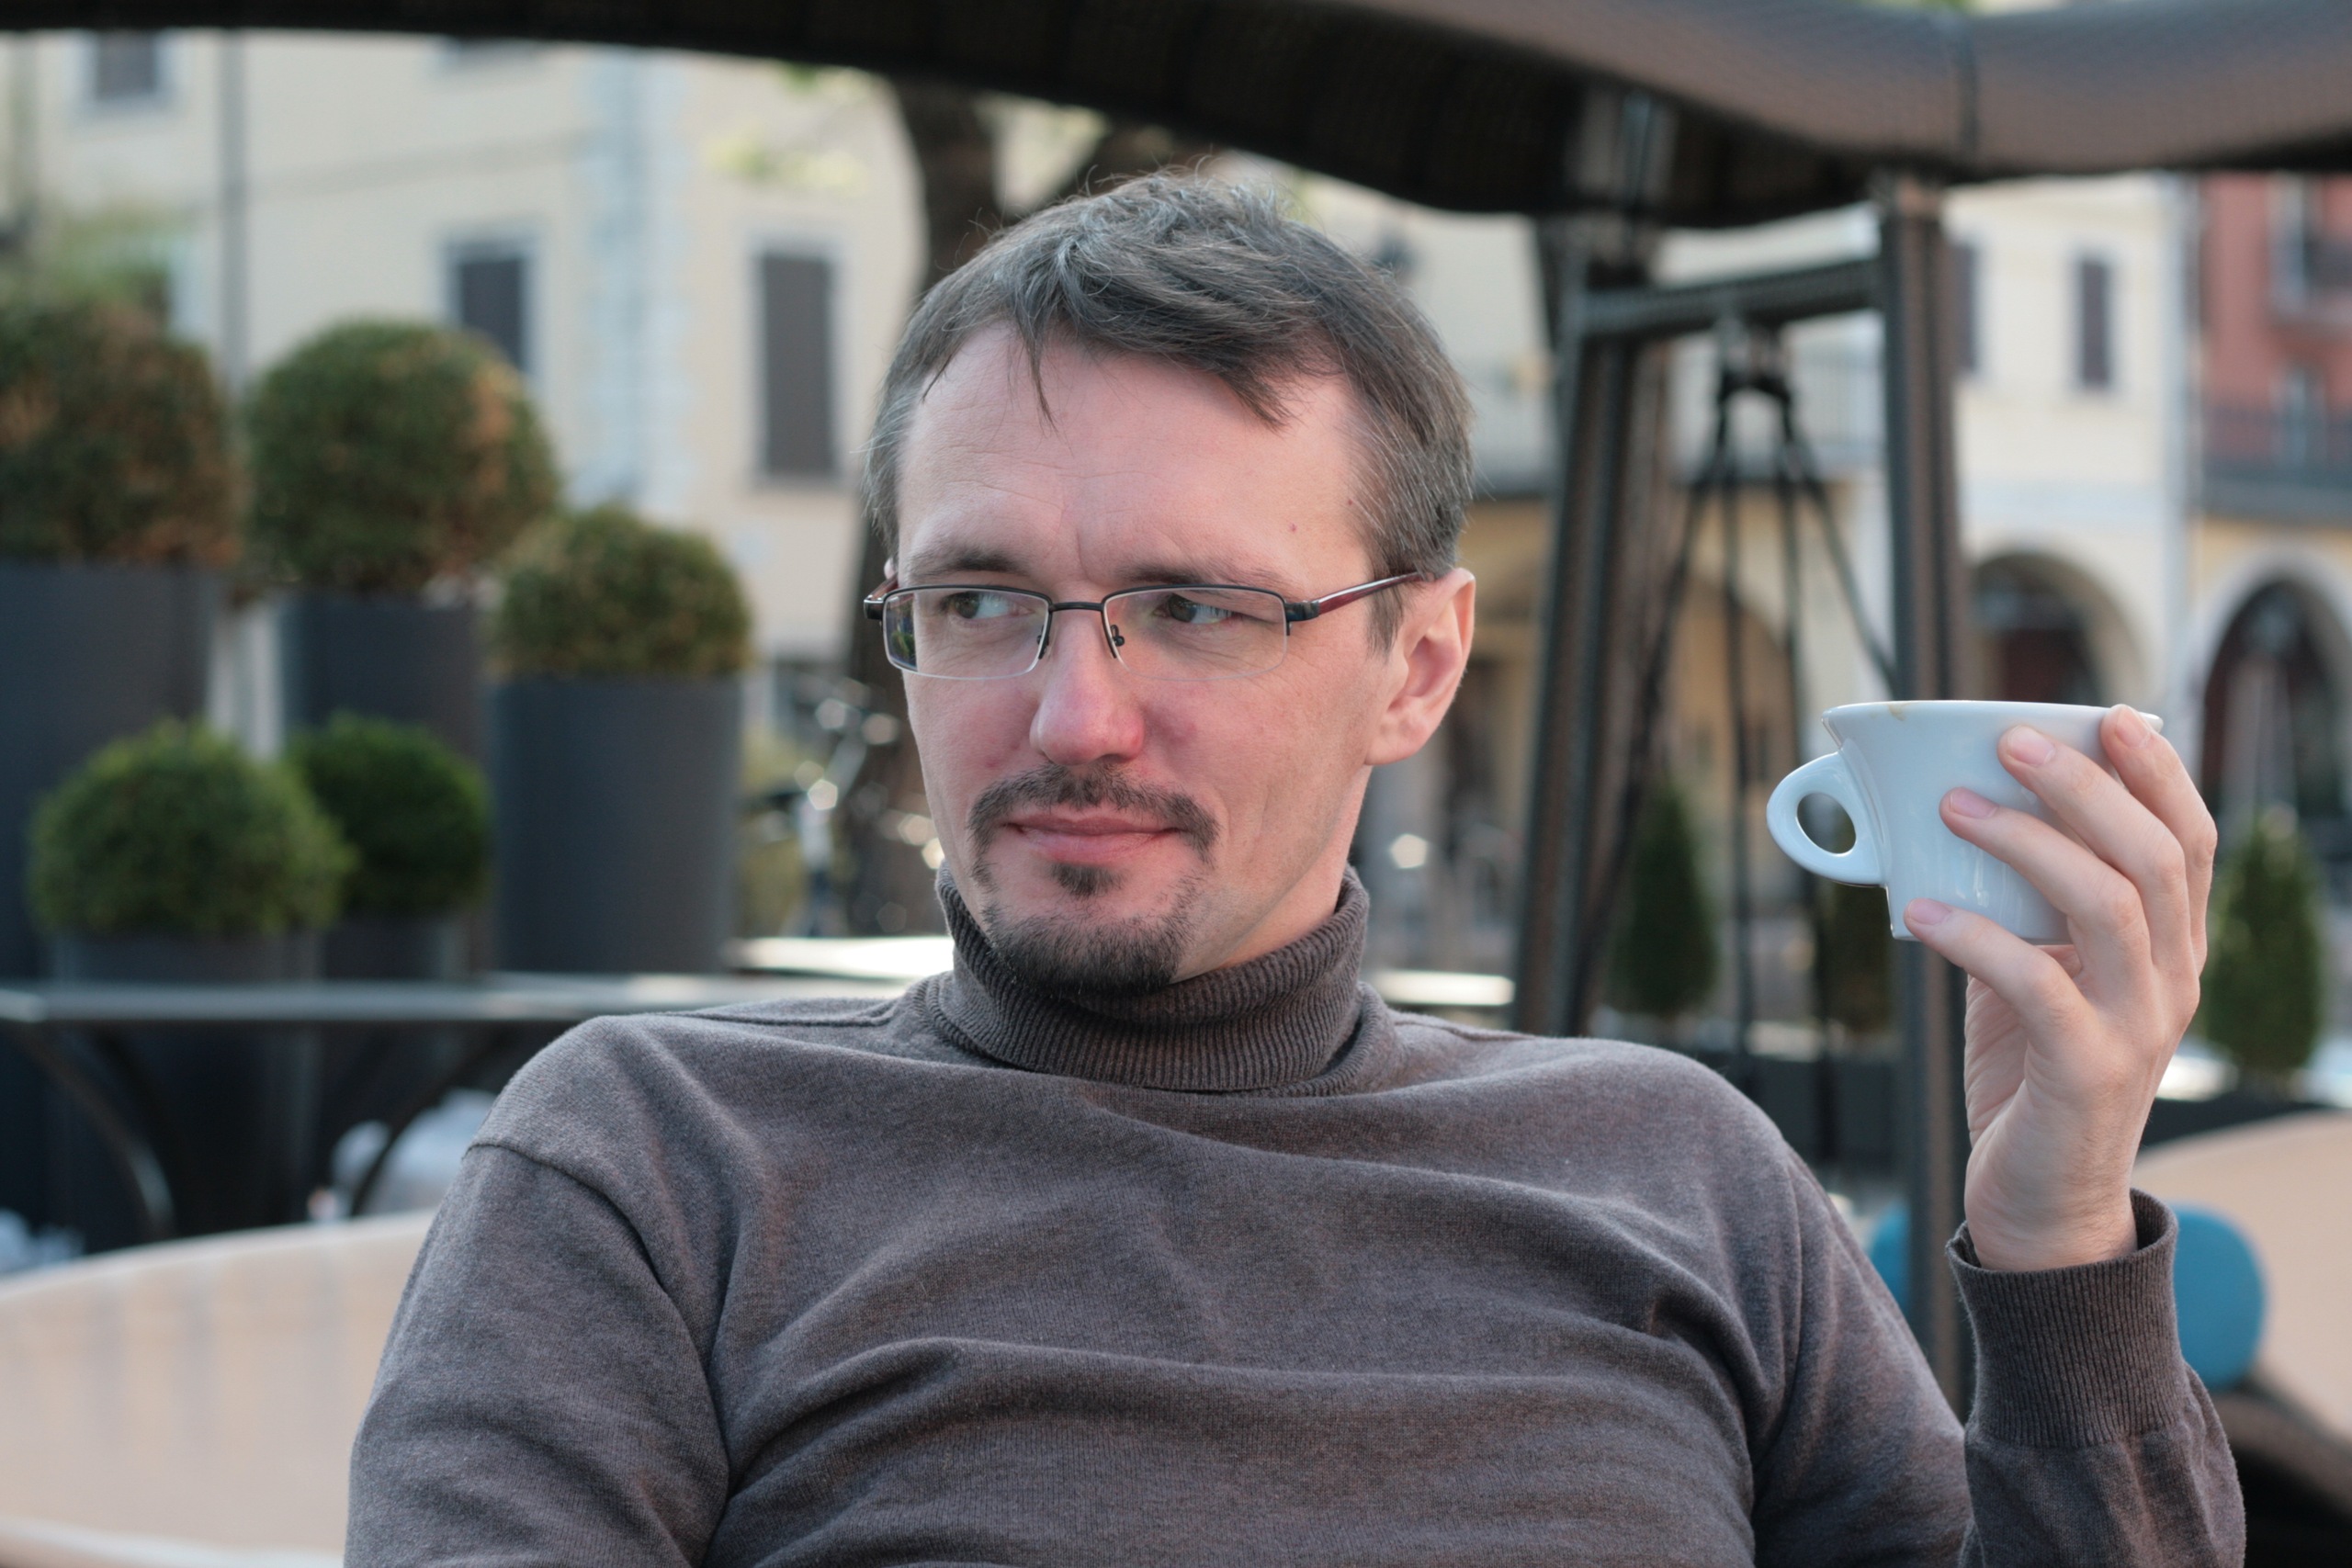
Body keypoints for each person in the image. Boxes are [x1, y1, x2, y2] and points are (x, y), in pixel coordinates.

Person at [349, 176, 2238, 1566]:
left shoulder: (1680, 1168)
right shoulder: (656, 1160)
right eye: (982, 597)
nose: (1072, 715)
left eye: (1195, 606)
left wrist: (2060, 1228)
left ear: (1417, 663)